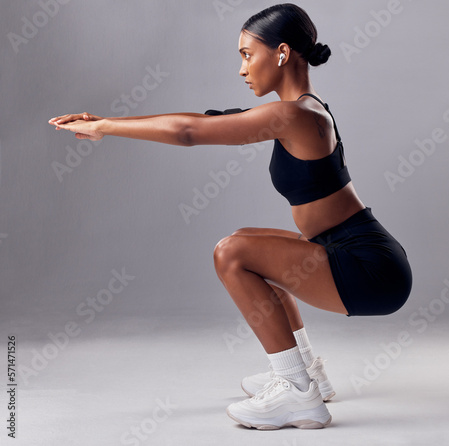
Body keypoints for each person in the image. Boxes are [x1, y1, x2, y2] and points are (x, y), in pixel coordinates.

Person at [49, 3, 412, 431]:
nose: (241, 69)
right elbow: (204, 121)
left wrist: (105, 127)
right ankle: (308, 370)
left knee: (232, 253)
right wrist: (107, 121)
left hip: (370, 269)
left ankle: (297, 393)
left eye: (246, 54)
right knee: (248, 240)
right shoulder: (297, 110)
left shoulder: (294, 115)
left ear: (280, 53)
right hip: (351, 253)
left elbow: (188, 133)